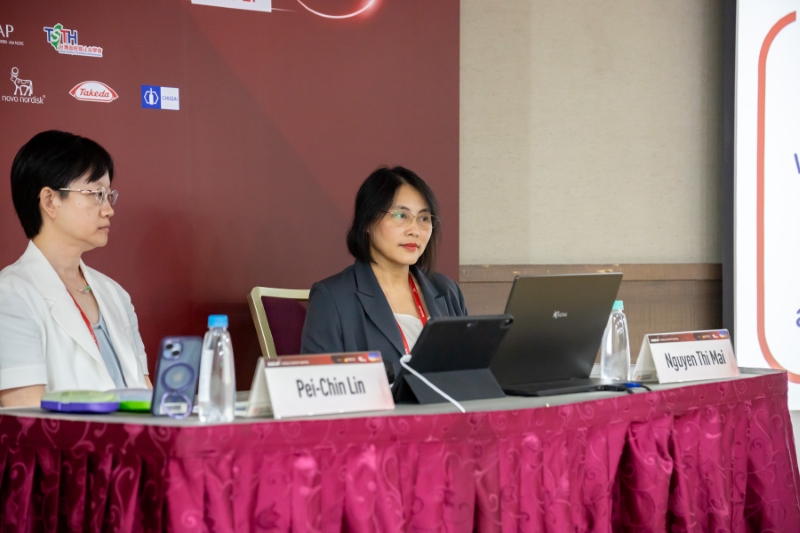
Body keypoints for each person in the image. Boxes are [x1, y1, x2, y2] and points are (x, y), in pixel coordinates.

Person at [0, 130, 151, 407]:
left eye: (108, 195)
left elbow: (145, 395)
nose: (108, 210)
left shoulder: (115, 294)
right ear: (50, 201)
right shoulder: (10, 295)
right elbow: (26, 418)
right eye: (96, 194)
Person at [301, 166, 467, 379]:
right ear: (368, 222)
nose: (415, 230)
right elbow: (319, 385)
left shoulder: (447, 290)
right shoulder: (332, 298)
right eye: (401, 215)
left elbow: (470, 372)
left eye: (424, 218)